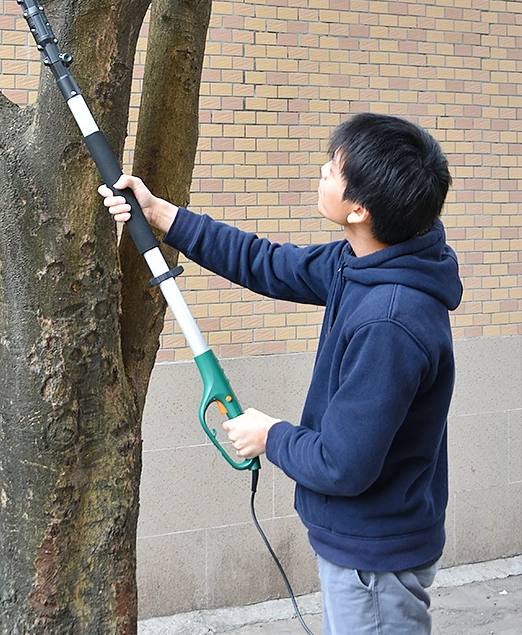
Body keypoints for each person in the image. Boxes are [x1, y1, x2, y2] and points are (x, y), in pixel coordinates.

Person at [100, 112, 460, 635]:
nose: (321, 171)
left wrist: (269, 436)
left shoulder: (391, 321)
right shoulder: (364, 261)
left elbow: (343, 463)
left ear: (358, 207)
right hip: (365, 548)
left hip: (373, 560)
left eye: (333, 170)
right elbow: (266, 263)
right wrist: (162, 214)